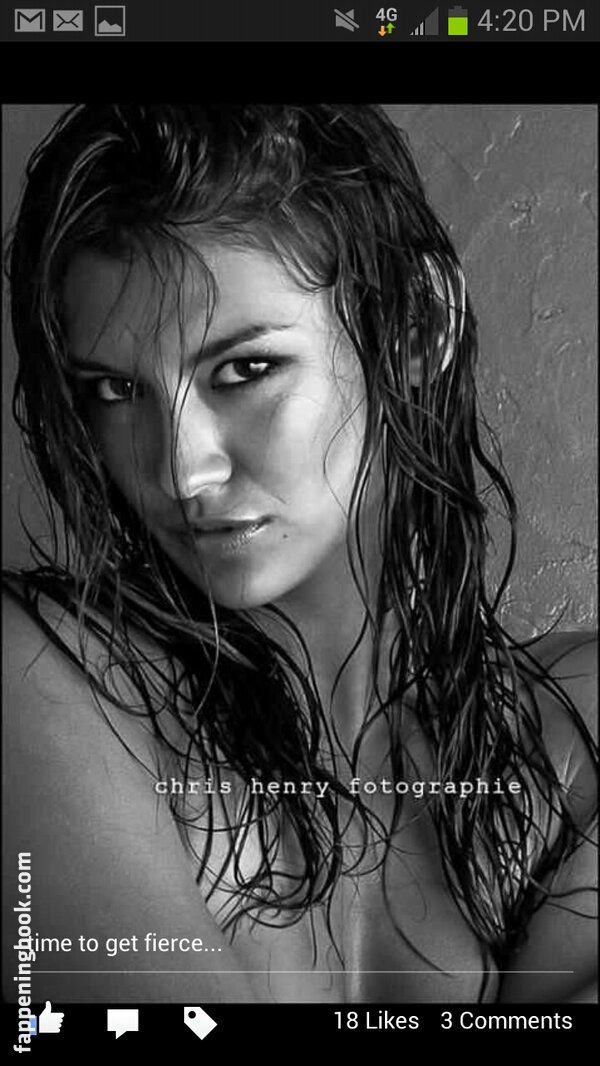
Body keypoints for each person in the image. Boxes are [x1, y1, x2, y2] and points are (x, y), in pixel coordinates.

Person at [2, 104, 597, 1006]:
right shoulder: (44, 679)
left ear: (414, 326)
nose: (181, 470)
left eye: (244, 370)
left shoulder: (576, 735)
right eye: (117, 391)